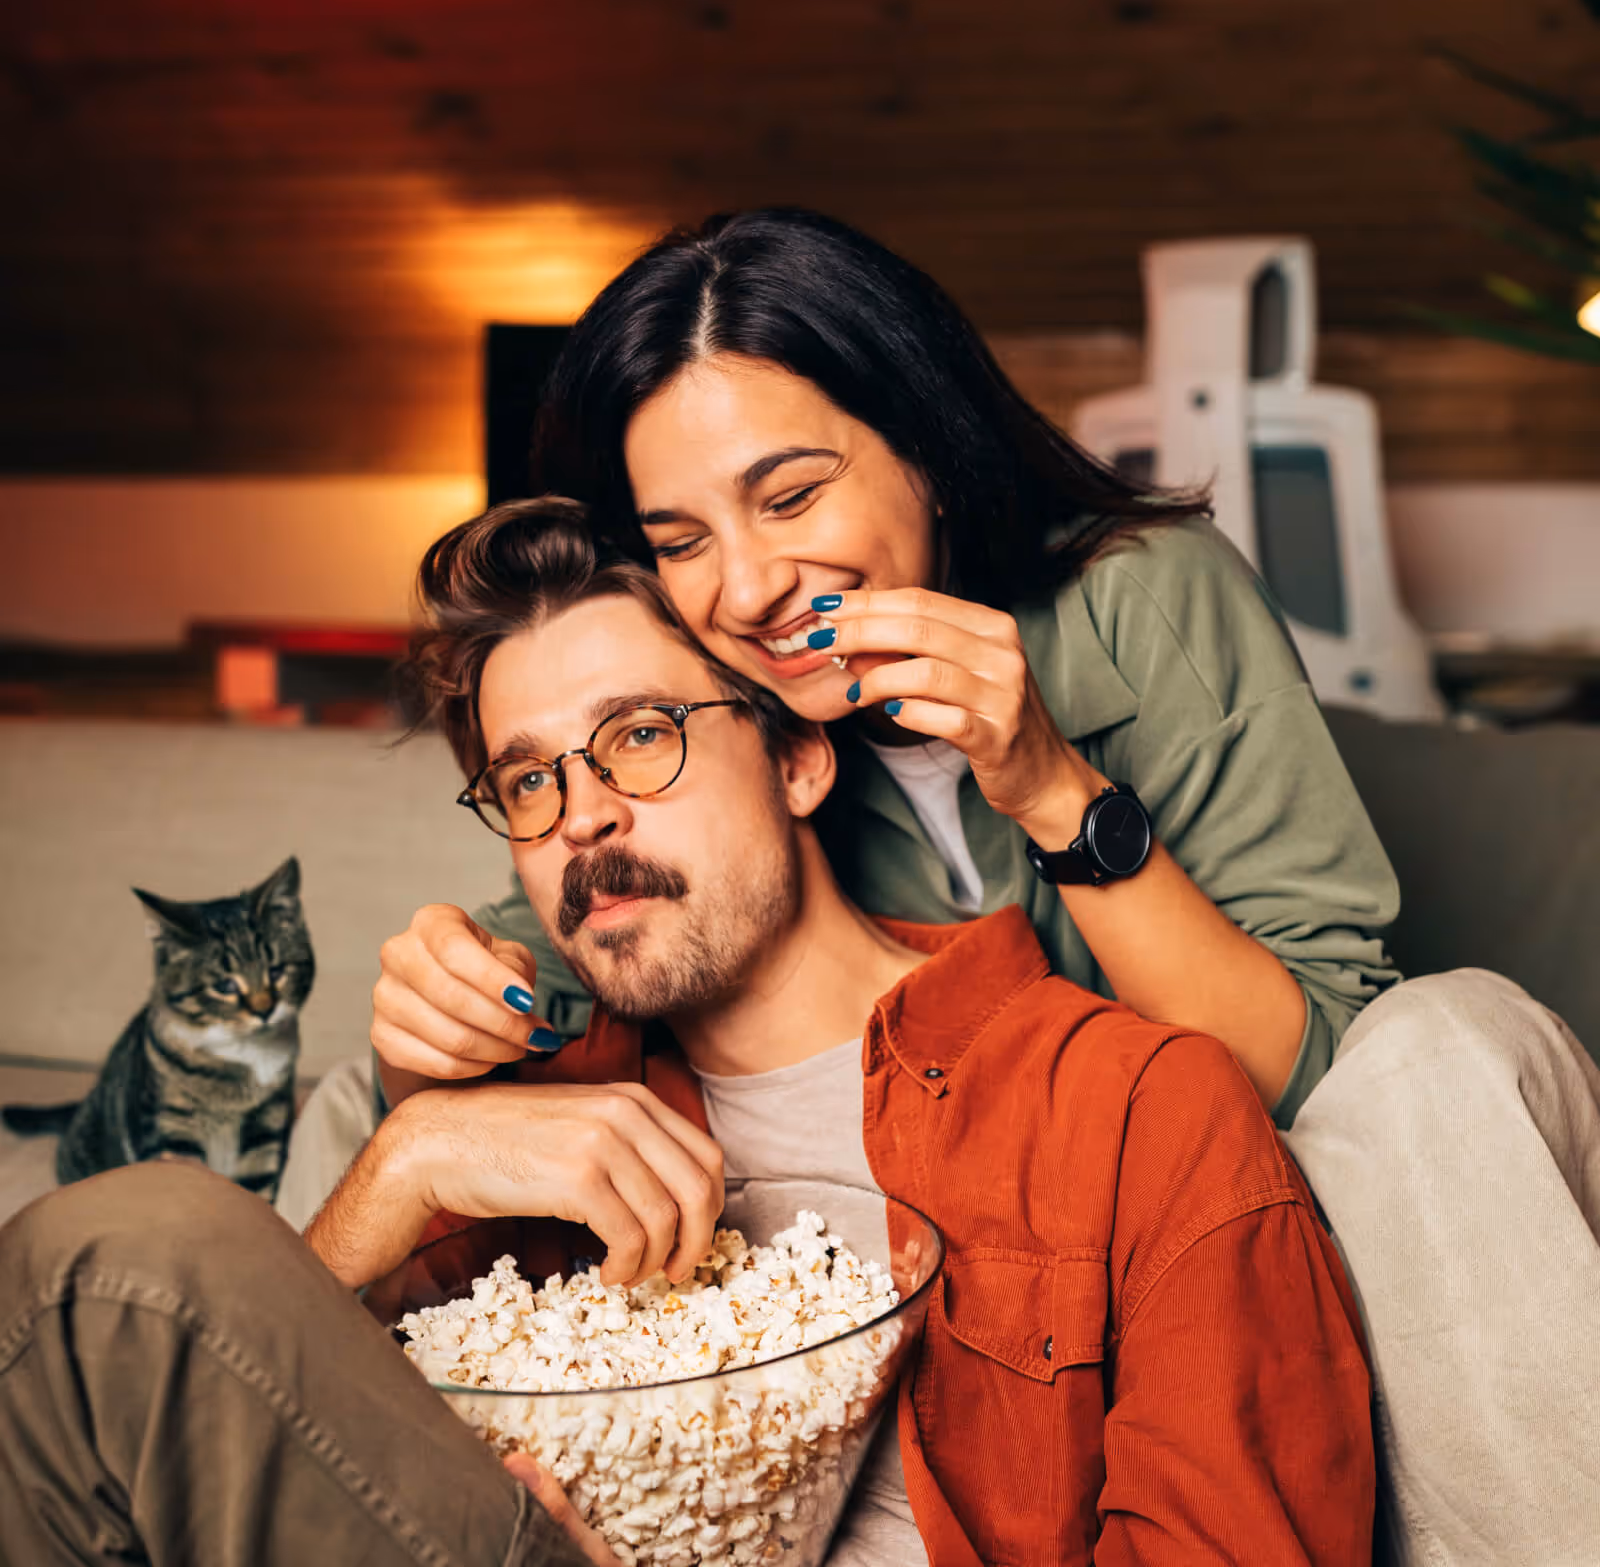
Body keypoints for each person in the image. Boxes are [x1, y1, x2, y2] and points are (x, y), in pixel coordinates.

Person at [0, 498, 1377, 1567]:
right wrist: (406, 1161)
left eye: (641, 737)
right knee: (106, 1268)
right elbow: (247, 1451)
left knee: (111, 1259)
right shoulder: (523, 1123)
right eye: (527, 780)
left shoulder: (1137, 1108)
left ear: (796, 757)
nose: (583, 813)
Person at [392, 207, 1398, 1130]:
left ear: (931, 452)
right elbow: (562, 974)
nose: (745, 592)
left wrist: (1052, 790)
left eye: (788, 498)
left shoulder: (1145, 598)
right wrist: (444, 999)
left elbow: (1321, 1072)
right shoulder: (699, 672)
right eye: (682, 539)